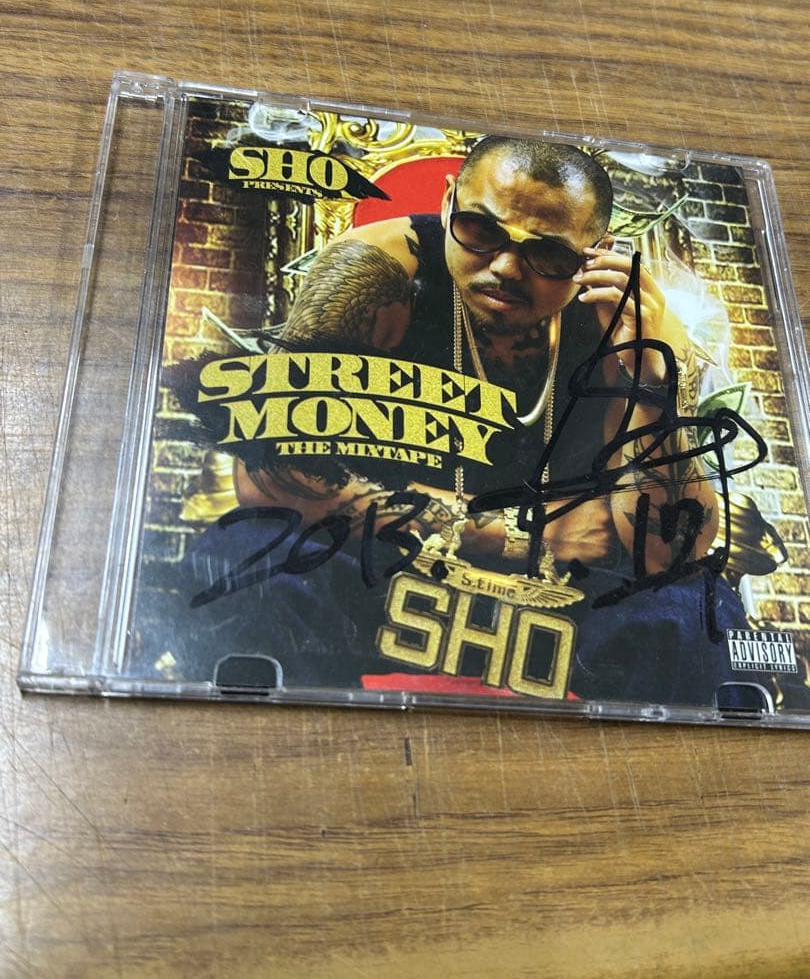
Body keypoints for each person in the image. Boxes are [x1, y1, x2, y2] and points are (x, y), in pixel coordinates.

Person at [176, 136, 746, 704]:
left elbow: (668, 553)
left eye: (549, 255)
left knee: (698, 614)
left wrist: (649, 387)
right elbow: (269, 474)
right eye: (480, 229)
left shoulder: (628, 320)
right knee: (242, 560)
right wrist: (529, 533)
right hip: (384, 564)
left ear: (597, 252)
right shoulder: (374, 271)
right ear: (449, 201)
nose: (505, 267)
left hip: (559, 599)